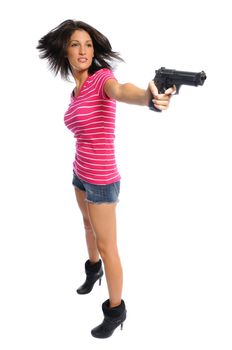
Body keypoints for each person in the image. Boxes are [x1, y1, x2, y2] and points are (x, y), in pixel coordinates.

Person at [37, 19, 175, 339]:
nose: (83, 50)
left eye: (88, 44)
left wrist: (148, 97)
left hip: (101, 180)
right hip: (80, 172)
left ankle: (116, 311)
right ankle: (92, 270)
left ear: (94, 50)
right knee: (87, 227)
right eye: (75, 44)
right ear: (65, 52)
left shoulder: (102, 79)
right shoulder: (75, 91)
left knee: (108, 244)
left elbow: (122, 91)